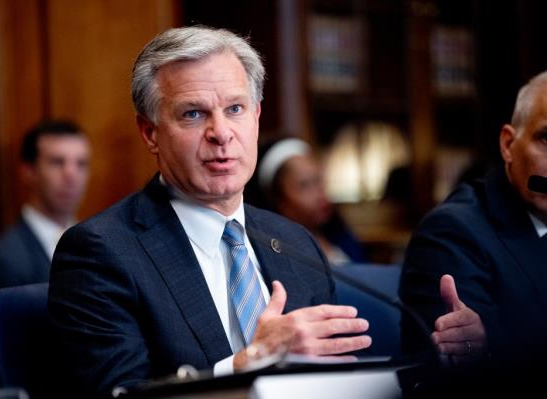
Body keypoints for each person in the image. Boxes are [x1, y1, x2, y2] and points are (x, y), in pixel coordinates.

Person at [48, 26, 372, 398]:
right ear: (150, 132)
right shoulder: (101, 252)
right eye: (193, 114)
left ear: (256, 117)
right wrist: (246, 365)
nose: (221, 133)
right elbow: (117, 393)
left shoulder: (296, 242)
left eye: (235, 109)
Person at [399, 71, 547, 370]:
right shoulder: (452, 232)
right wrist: (480, 346)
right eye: (546, 139)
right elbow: (469, 365)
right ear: (508, 144)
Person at [0, 120, 91, 289]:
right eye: (57, 162)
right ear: (28, 172)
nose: (71, 175)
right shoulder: (3, 258)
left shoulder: (96, 244)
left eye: (81, 164)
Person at [246, 137, 367, 265]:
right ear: (278, 198)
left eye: (319, 180)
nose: (320, 194)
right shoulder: (276, 256)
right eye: (305, 185)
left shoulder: (341, 237)